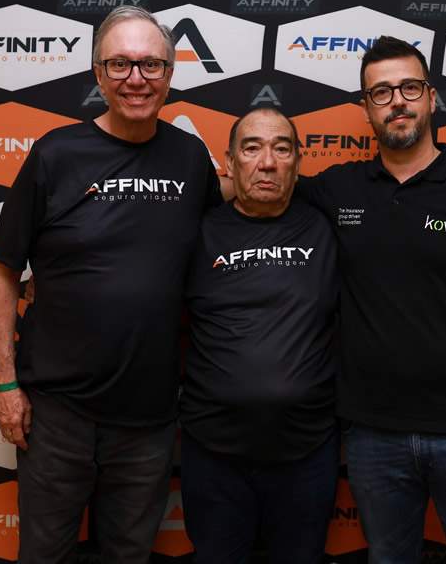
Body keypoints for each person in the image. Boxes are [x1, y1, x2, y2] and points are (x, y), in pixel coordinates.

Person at [0, 6, 223, 564]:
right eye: (120, 64)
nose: (136, 79)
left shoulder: (190, 157)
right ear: (98, 73)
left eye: (150, 65)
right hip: (55, 413)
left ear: (169, 73)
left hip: (149, 417)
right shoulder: (56, 153)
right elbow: (3, 269)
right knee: (43, 555)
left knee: (128, 556)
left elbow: (222, 237)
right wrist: (4, 383)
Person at [295, 36, 446, 564]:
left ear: (431, 97)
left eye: (409, 87)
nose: (397, 102)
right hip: (372, 436)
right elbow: (263, 187)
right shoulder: (339, 189)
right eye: (380, 93)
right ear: (366, 108)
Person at [179, 107, 340, 564]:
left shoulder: (329, 228)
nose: (267, 163)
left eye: (281, 149)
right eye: (252, 148)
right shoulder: (194, 233)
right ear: (230, 162)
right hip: (213, 454)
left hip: (307, 452)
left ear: (297, 162)